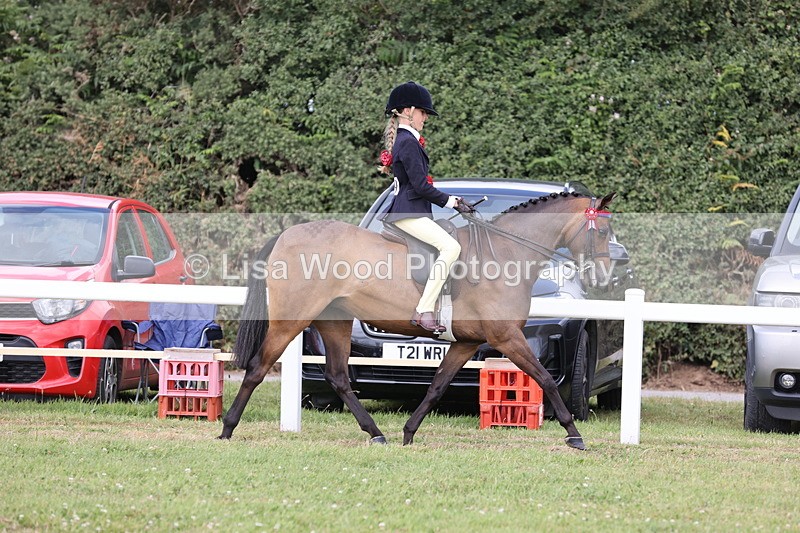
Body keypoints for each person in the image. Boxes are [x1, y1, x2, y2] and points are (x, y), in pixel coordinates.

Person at [378, 81, 474, 333]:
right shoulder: (408, 142)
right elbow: (420, 186)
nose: (425, 118)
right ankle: (423, 309)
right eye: (423, 113)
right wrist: (451, 201)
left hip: (409, 209)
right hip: (408, 212)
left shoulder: (405, 140)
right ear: (408, 111)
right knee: (451, 247)